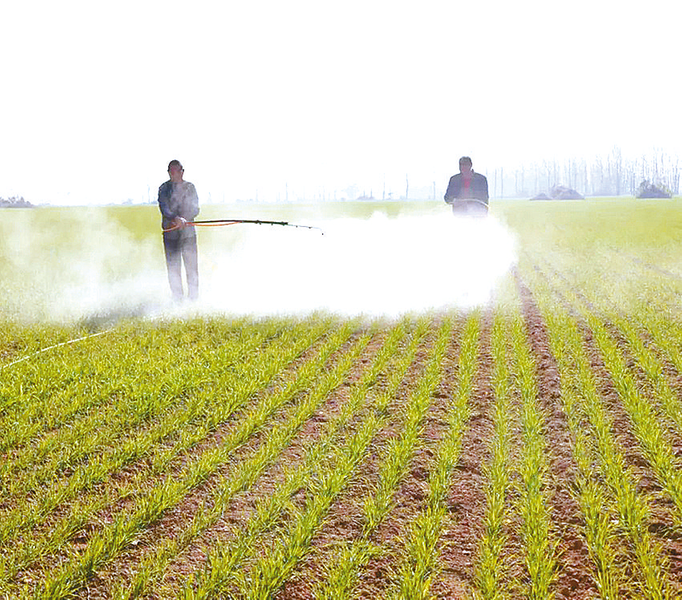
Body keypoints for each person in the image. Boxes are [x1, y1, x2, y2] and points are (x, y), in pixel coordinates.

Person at [157, 160, 200, 301]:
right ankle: (178, 299)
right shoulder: (164, 188)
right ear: (169, 172)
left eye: (178, 171)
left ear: (183, 171)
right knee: (174, 269)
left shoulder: (190, 187)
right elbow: (164, 208)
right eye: (172, 171)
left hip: (189, 236)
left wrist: (185, 218)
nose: (176, 174)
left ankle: (193, 298)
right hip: (170, 236)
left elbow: (195, 208)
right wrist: (175, 219)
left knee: (192, 268)